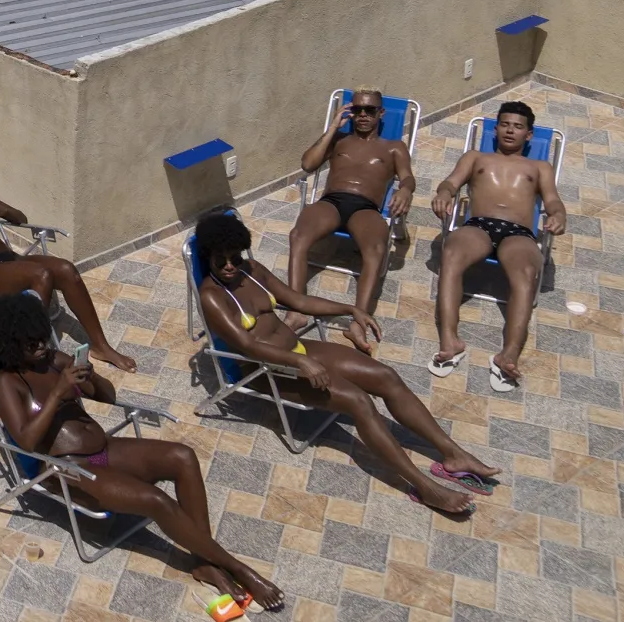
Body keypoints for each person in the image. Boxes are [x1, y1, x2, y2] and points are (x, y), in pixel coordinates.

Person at [0, 292, 284, 612]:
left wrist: (92, 380)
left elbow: (109, 397)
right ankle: (237, 568)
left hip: (104, 450)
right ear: (11, 344)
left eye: (40, 337)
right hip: (68, 470)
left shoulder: (56, 361)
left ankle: (203, 561)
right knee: (156, 501)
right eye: (29, 343)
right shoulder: (8, 383)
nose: (40, 346)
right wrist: (58, 394)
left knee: (183, 456)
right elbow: (27, 442)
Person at [193, 210, 497, 516]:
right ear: (208, 257)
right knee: (358, 401)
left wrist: (350, 309)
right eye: (221, 260)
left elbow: (298, 301)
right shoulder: (212, 296)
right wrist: (299, 362)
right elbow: (248, 346)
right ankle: (424, 487)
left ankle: (452, 454)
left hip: (298, 350)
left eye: (236, 257)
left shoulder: (251, 271)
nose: (230, 265)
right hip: (268, 370)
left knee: (386, 376)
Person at [0, 137, 137, 372]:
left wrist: (2, 211)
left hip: (11, 261)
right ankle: (32, 346)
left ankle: (101, 346)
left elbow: (21, 219)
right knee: (40, 274)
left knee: (66, 269)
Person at [430, 100, 566, 392]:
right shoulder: (475, 157)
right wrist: (444, 193)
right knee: (451, 255)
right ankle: (449, 340)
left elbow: (552, 200)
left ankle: (509, 354)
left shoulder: (539, 166)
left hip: (518, 233)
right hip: (478, 225)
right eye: (504, 124)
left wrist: (558, 215)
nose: (510, 130)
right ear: (495, 129)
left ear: (528, 135)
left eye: (517, 127)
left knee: (527, 272)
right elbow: (450, 182)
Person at [285, 89, 412, 334]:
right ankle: (296, 312)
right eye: (357, 110)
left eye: (370, 110)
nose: (363, 115)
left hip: (365, 208)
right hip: (331, 202)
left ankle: (359, 322)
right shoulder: (338, 140)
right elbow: (308, 164)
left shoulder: (394, 147)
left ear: (381, 113)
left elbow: (407, 177)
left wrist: (406, 190)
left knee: (376, 249)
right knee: (298, 236)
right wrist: (333, 127)